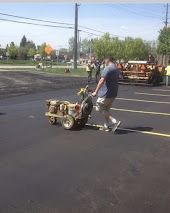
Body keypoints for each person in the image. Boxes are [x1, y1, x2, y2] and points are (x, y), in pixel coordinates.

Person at [92, 56, 121, 132]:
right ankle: (106, 125)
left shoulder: (107, 68)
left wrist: (96, 91)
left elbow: (101, 81)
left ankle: (115, 121)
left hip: (106, 93)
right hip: (114, 93)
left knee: (99, 107)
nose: (104, 62)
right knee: (106, 109)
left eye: (104, 61)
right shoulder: (116, 68)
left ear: (107, 60)